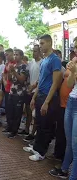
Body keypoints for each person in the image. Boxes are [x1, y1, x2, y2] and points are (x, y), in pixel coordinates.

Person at [23, 35, 63, 161]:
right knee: (39, 123)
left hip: (49, 97)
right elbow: (41, 81)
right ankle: (36, 147)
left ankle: (41, 153)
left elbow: (55, 83)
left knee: (46, 126)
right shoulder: (45, 60)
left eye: (42, 43)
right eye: (39, 43)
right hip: (40, 96)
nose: (40, 46)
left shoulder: (55, 60)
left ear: (50, 43)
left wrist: (47, 101)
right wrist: (34, 97)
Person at [49, 43, 77, 179]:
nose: (74, 50)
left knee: (76, 145)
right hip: (71, 102)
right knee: (70, 141)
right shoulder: (75, 60)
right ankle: (65, 169)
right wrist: (73, 72)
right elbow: (71, 84)